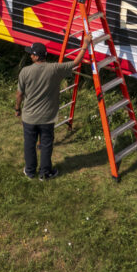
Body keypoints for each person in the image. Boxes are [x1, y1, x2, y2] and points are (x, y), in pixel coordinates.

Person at [14, 39, 89, 180]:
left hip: (29, 117)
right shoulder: (55, 69)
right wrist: (85, 46)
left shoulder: (25, 71)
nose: (30, 56)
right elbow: (76, 62)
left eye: (31, 54)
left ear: (36, 56)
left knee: (29, 144)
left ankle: (30, 171)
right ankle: (45, 173)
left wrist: (17, 108)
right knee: (46, 144)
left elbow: (19, 94)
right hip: (47, 117)